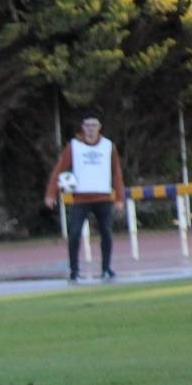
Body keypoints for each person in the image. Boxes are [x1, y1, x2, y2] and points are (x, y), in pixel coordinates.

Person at [44, 108, 125, 282]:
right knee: (74, 234)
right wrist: (51, 193)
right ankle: (74, 270)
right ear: (82, 127)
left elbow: (116, 173)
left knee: (106, 233)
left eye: (94, 125)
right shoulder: (74, 146)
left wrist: (119, 198)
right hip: (80, 198)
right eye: (87, 125)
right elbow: (59, 169)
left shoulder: (108, 146)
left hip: (103, 197)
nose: (90, 129)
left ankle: (106, 268)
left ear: (99, 127)